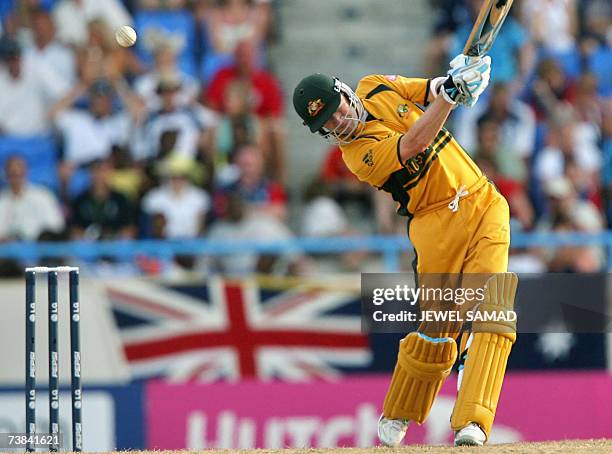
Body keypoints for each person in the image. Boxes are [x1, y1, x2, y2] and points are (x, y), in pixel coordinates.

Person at [293, 53, 516, 448]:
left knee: (492, 308)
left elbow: (427, 89)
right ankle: (400, 409)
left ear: (345, 91)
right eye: (325, 123)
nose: (337, 121)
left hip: (483, 200)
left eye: (335, 109)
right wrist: (450, 96)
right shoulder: (356, 157)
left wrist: (461, 78)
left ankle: (475, 421)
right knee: (437, 328)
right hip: (433, 223)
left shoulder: (374, 84)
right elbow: (415, 142)